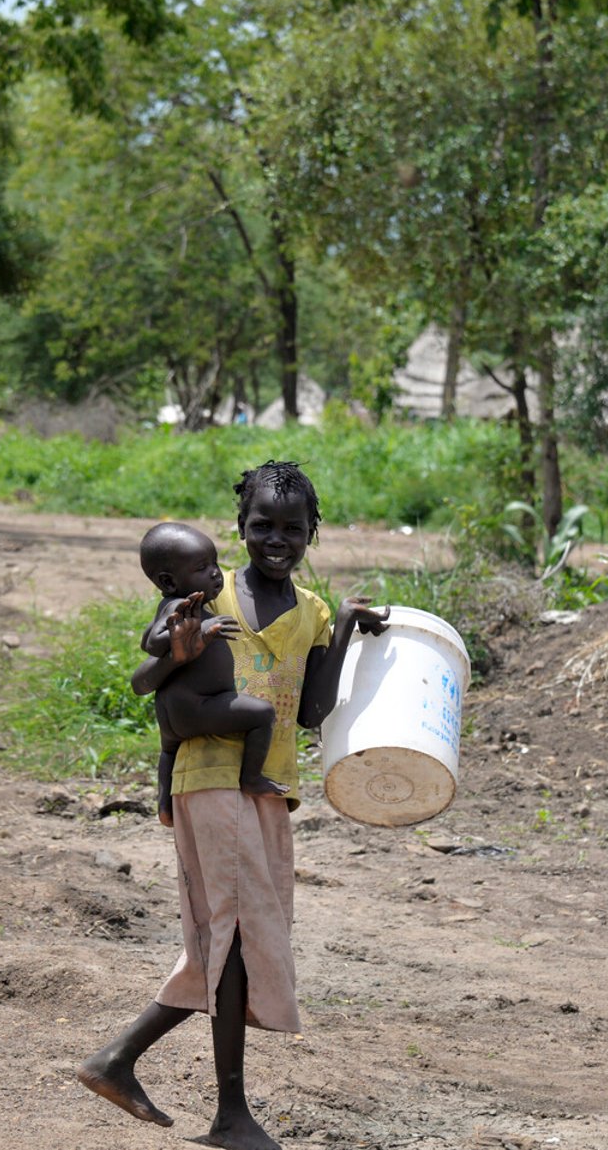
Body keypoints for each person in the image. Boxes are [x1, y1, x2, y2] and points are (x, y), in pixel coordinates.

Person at [79, 461, 389, 1150]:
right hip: (211, 777)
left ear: (313, 531)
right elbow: (151, 678)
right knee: (235, 937)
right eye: (260, 526)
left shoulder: (309, 611)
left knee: (233, 937)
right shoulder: (205, 591)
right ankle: (228, 1113)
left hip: (267, 785)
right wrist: (171, 655)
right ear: (240, 527)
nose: (275, 539)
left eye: (291, 528)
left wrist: (340, 631)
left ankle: (119, 1058)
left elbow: (310, 711)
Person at [138, 522, 286, 828]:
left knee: (169, 751)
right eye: (202, 567)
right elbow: (153, 642)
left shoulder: (181, 605)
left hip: (172, 709)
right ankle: (251, 778)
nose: (216, 573)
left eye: (215, 563)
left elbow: (145, 638)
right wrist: (201, 629)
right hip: (197, 705)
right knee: (262, 713)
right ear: (168, 581)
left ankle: (165, 806)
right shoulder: (179, 606)